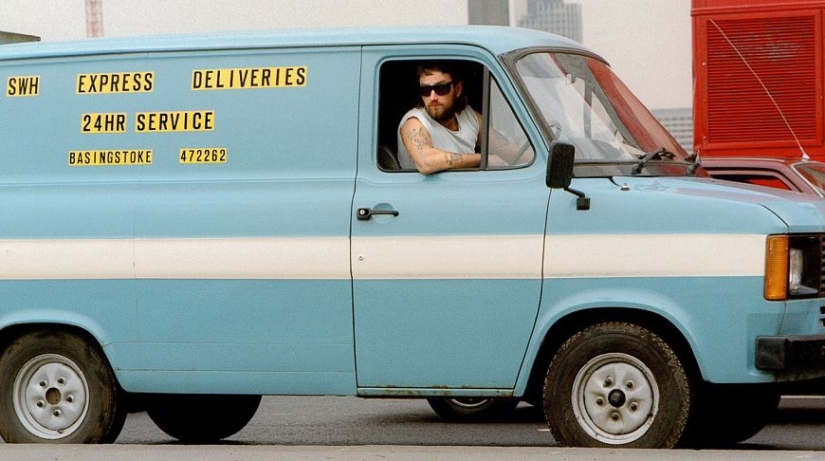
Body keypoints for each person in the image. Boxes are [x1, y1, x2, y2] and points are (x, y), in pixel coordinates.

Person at [397, 62, 491, 175]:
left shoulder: (469, 116)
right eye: (426, 90)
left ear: (457, 89)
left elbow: (505, 149)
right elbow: (426, 163)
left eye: (441, 88)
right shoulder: (414, 123)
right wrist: (483, 159)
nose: (433, 97)